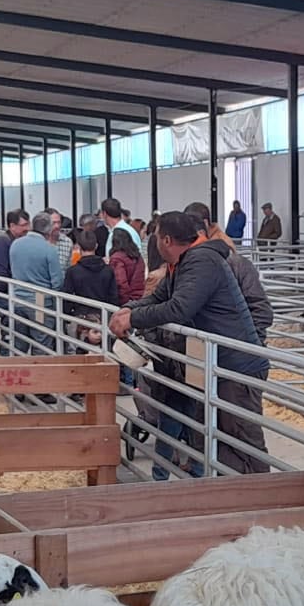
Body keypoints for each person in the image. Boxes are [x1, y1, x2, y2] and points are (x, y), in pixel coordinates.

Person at [111, 211, 269, 475]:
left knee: (242, 441)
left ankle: (265, 504)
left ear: (167, 241)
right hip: (217, 365)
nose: (154, 242)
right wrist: (127, 310)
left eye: (157, 237)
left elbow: (179, 308)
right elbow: (159, 298)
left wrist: (133, 318)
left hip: (236, 367)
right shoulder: (183, 264)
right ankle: (235, 501)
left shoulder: (201, 261)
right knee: (219, 442)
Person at [185, 201, 273, 343]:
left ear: (204, 225)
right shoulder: (191, 257)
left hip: (233, 342)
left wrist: (250, 342)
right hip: (210, 342)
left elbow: (260, 308)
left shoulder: (229, 255)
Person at [9, 212, 63, 354]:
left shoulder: (15, 244)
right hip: (40, 301)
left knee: (19, 343)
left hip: (18, 298)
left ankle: (19, 373)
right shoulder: (49, 249)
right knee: (42, 343)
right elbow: (57, 282)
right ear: (50, 229)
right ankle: (39, 373)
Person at [62, 227, 121, 342]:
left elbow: (67, 298)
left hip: (80, 318)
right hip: (103, 317)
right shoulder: (108, 270)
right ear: (96, 246)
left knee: (79, 351)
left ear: (78, 247)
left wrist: (67, 317)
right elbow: (113, 297)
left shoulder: (73, 271)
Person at [107, 225, 145, 305]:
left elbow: (120, 282)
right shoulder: (138, 256)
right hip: (139, 298)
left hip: (126, 301)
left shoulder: (116, 258)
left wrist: (124, 302)